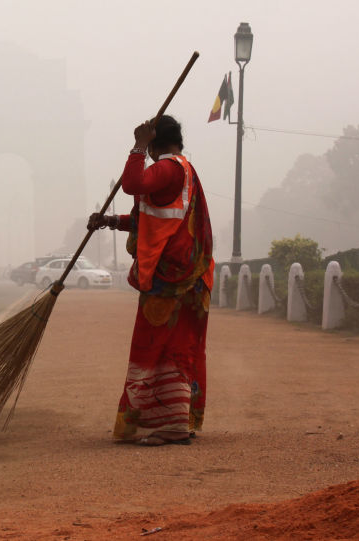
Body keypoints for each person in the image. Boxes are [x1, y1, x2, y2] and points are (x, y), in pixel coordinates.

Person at [88, 115, 213, 447]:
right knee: (179, 346)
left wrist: (137, 147)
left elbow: (131, 184)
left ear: (156, 141)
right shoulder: (183, 171)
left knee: (157, 347)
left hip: (171, 277)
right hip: (189, 276)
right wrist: (112, 221)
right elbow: (152, 217)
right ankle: (178, 421)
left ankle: (169, 425)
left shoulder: (169, 168)